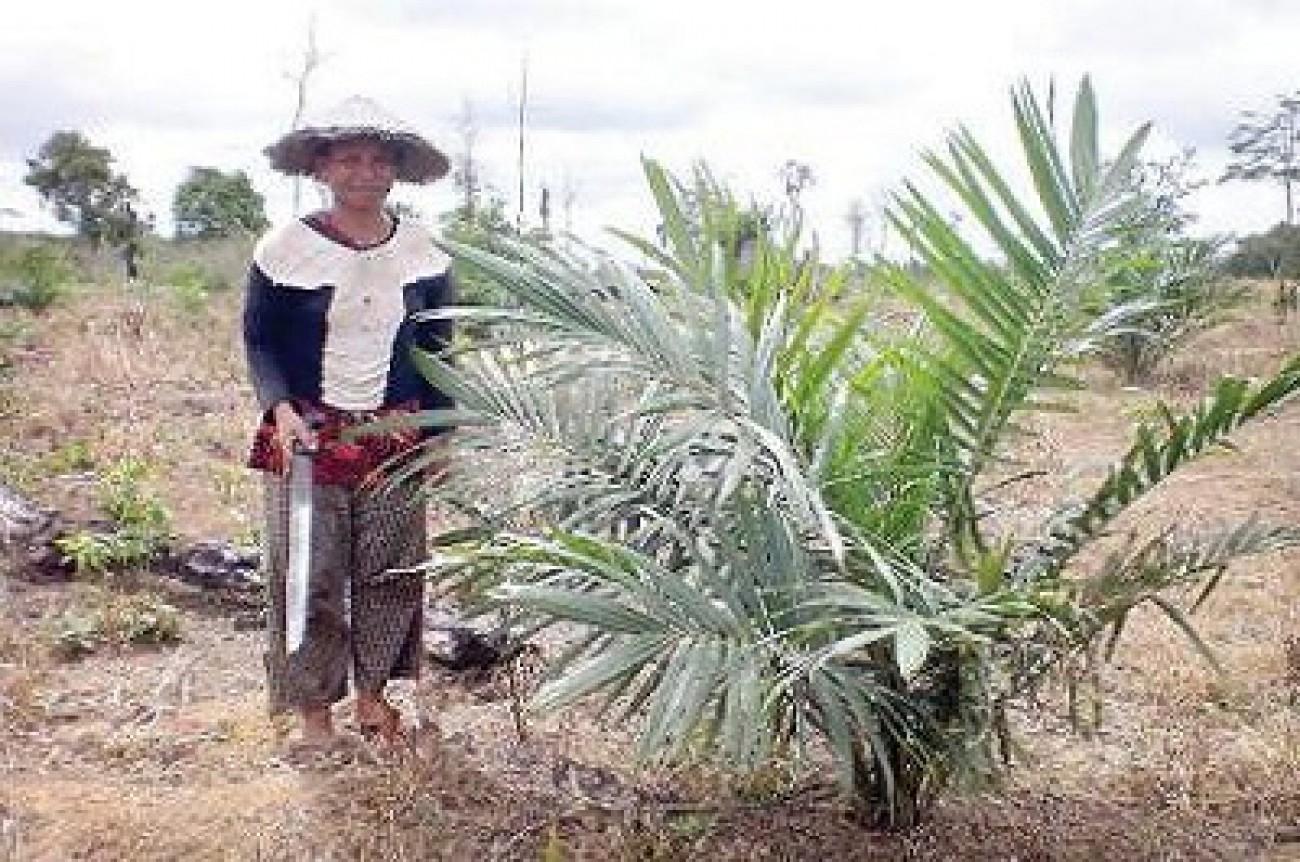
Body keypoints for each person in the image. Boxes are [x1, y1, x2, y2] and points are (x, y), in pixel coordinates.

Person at [242, 95, 455, 751]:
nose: (364, 172)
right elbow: (259, 339)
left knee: (393, 572)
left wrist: (444, 431)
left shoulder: (424, 253)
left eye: (377, 161)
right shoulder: (286, 249)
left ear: (394, 172)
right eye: (349, 160)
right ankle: (314, 718)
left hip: (396, 435)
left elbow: (440, 347)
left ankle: (373, 701)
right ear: (323, 168)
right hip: (308, 434)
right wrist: (279, 408)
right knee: (307, 572)